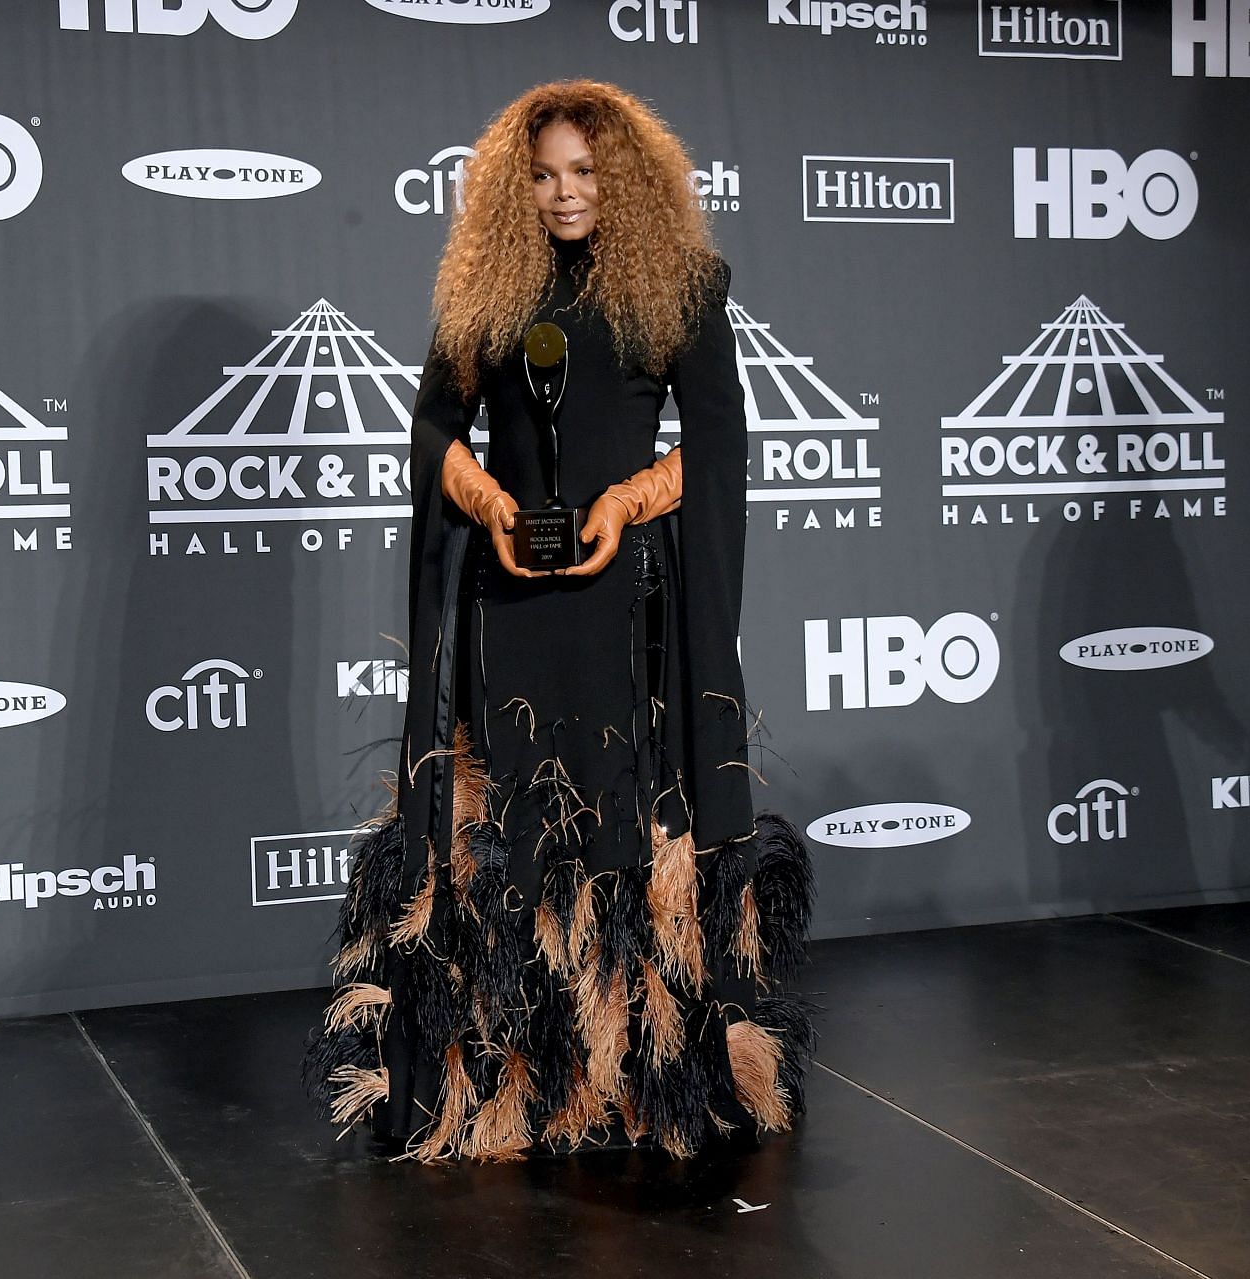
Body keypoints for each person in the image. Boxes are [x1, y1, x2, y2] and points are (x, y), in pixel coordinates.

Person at [304, 80, 814, 1163]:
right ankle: (520, 1084)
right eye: (542, 175)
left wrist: (627, 501)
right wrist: (491, 509)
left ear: (621, 176)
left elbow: (720, 442)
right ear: (512, 185)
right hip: (515, 600)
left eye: (584, 171)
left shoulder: (682, 284)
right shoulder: (488, 290)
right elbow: (434, 430)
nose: (564, 192)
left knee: (629, 821)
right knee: (522, 830)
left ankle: (642, 1073)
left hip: (629, 605)